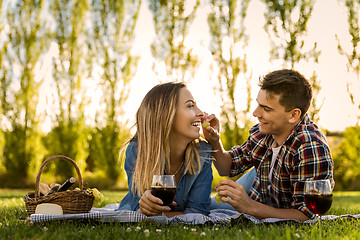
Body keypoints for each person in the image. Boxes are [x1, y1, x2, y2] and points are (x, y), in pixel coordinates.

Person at [203, 69, 334, 221]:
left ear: (293, 115)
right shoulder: (263, 132)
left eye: (266, 109)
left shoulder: (309, 147)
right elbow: (227, 167)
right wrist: (214, 141)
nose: (255, 113)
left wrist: (250, 207)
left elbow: (306, 215)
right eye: (258, 104)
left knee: (206, 208)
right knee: (204, 207)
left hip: (269, 199)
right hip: (260, 184)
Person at [118, 82, 213, 217]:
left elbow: (199, 212)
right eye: (190, 106)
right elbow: (135, 206)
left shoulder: (203, 153)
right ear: (167, 115)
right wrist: (144, 207)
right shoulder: (137, 150)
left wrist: (157, 215)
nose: (201, 113)